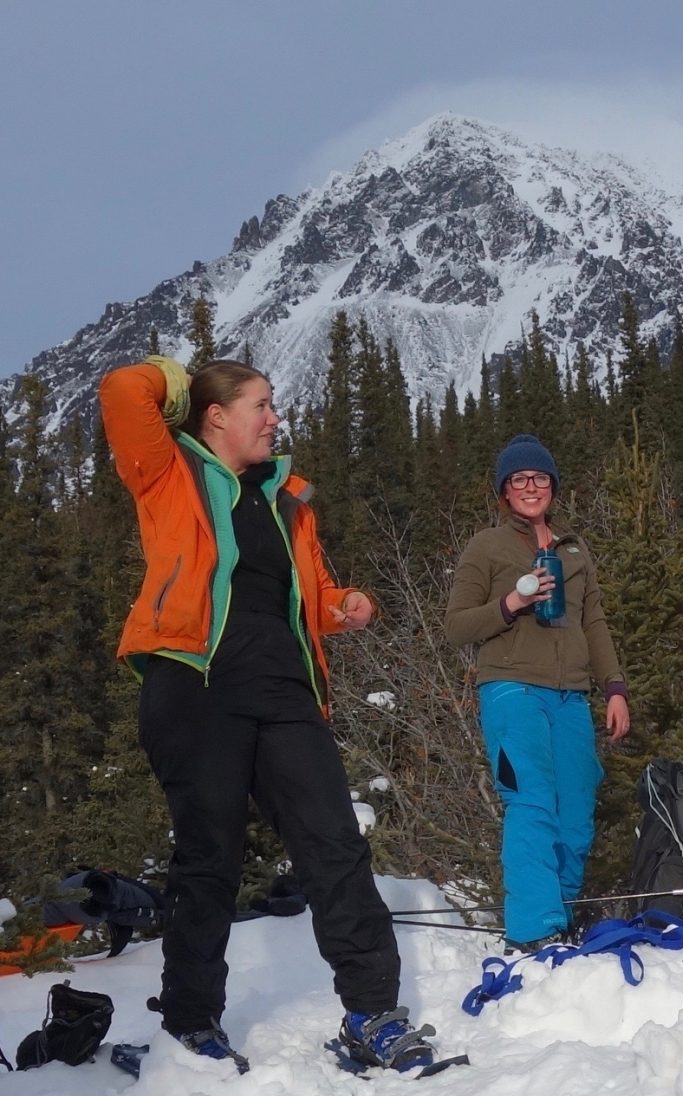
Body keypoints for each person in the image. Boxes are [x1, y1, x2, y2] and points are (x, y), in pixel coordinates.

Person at [99, 356, 438, 1073]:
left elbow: (311, 594)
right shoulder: (169, 472)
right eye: (261, 404)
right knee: (209, 855)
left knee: (334, 844)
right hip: (196, 680)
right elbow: (124, 389)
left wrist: (345, 606)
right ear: (217, 415)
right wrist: (179, 380)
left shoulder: (288, 499)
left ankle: (373, 1013)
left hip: (285, 687)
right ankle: (191, 1024)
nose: (275, 418)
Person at [445, 434, 630, 951]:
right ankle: (534, 931)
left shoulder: (573, 549)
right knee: (531, 803)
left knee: (576, 813)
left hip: (571, 696)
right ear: (505, 491)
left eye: (540, 477)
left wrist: (614, 687)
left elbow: (594, 622)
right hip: (512, 690)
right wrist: (511, 603)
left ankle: (561, 919)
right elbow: (456, 626)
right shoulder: (487, 546)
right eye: (519, 479)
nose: (531, 487)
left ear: (553, 486)